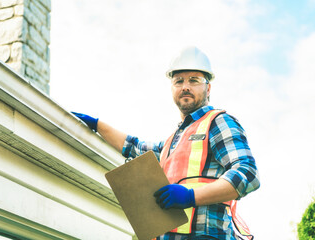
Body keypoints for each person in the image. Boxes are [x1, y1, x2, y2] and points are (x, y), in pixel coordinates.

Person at [72, 47, 260, 240]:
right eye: (179, 81)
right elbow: (134, 147)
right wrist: (97, 125)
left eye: (194, 80)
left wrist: (190, 196)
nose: (185, 86)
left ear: (208, 88)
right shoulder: (172, 141)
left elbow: (247, 173)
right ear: (172, 89)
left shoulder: (218, 122)